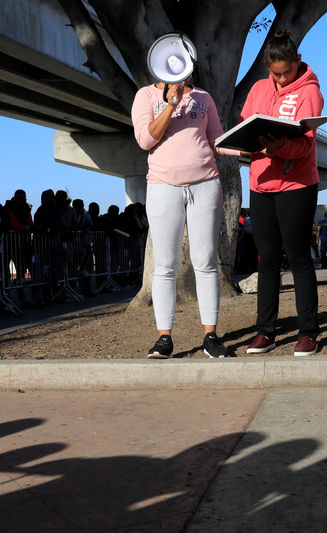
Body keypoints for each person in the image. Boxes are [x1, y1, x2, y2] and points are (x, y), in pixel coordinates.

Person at [131, 43, 240, 359]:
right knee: (165, 265)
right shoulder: (146, 96)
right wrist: (170, 105)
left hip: (205, 184)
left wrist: (246, 150)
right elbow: (145, 139)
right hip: (163, 186)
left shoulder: (204, 98)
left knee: (206, 262)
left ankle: (210, 336)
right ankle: (164, 338)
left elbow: (216, 141)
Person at [240, 30, 324, 357]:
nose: (280, 78)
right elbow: (245, 126)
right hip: (261, 184)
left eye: (286, 71)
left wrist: (281, 147)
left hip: (297, 184)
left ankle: (308, 333)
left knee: (299, 256)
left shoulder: (310, 92)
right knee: (268, 260)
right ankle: (266, 332)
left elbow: (306, 144)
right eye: (274, 72)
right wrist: (244, 148)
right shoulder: (259, 88)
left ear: (297, 62)